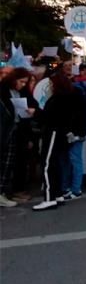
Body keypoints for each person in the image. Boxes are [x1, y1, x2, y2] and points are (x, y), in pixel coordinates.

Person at [34, 69, 86, 209]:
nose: (50, 86)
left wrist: (35, 113)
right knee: (55, 164)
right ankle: (57, 195)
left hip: (53, 133)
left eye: (52, 84)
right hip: (62, 134)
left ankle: (49, 198)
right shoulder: (69, 95)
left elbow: (50, 117)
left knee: (47, 165)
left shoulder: (59, 98)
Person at [1, 68, 35, 207]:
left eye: (25, 82)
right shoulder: (2, 90)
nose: (22, 85)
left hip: (18, 130)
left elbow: (33, 104)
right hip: (5, 130)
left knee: (10, 162)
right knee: (4, 163)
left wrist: (31, 109)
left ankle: (7, 191)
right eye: (21, 81)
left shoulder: (22, 91)